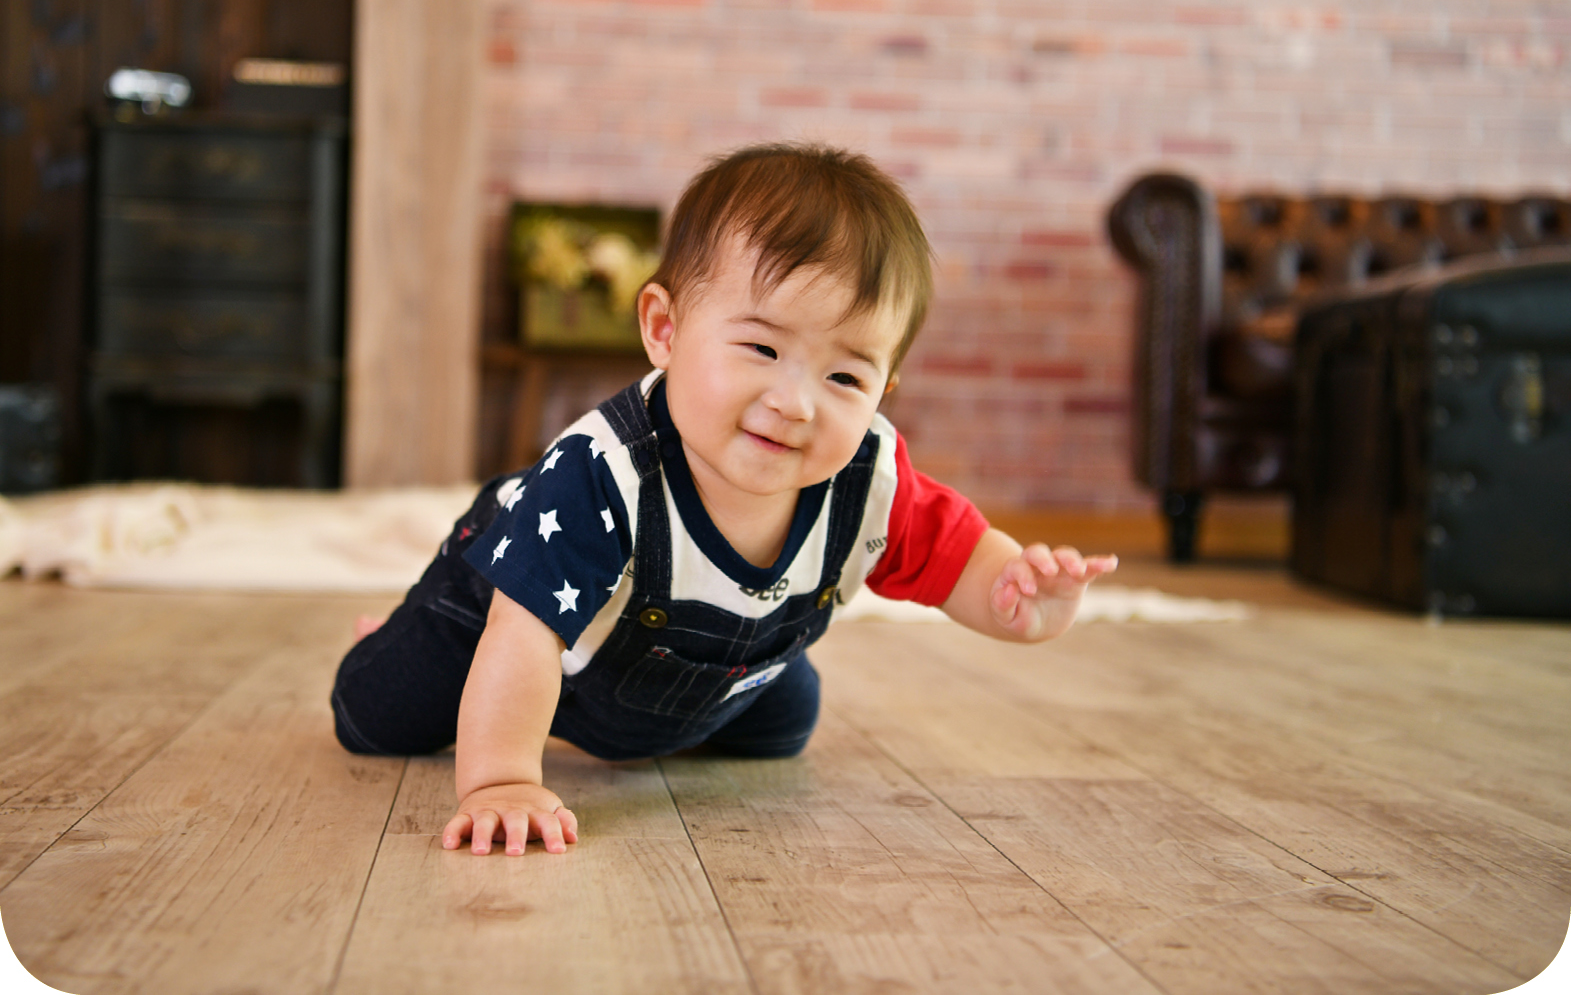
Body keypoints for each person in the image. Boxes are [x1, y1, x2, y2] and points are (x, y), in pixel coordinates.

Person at [331, 142, 1118, 857]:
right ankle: (405, 636)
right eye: (762, 348)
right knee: (376, 717)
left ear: (885, 388)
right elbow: (525, 635)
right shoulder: (600, 474)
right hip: (505, 623)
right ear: (664, 329)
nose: (797, 402)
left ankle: (677, 707)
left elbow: (956, 559)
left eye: (845, 375)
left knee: (783, 730)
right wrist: (502, 781)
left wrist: (1019, 597)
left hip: (710, 672)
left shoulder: (868, 475)